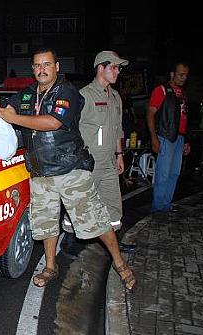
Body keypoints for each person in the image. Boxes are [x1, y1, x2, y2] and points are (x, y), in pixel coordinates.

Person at [0, 47, 136, 291]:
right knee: (46, 224)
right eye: (37, 65)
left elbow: (52, 122)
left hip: (70, 170)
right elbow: (0, 107)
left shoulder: (67, 91)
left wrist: (13, 118)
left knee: (96, 221)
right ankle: (50, 267)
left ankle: (121, 264)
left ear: (57, 67)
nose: (41, 69)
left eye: (47, 64)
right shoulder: (28, 94)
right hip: (40, 174)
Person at [62, 51, 136, 255]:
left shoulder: (115, 97)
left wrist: (120, 154)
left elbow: (118, 128)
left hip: (110, 162)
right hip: (88, 162)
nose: (118, 71)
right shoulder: (84, 95)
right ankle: (69, 239)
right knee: (80, 203)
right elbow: (71, 128)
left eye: (119, 68)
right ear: (100, 68)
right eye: (114, 67)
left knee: (113, 204)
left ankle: (113, 243)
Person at [146, 61, 191, 213]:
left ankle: (166, 204)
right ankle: (158, 207)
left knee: (174, 173)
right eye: (181, 74)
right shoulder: (162, 90)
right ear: (172, 74)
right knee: (163, 174)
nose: (184, 78)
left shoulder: (183, 94)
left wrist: (186, 140)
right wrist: (154, 137)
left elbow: (184, 118)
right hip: (165, 136)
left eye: (186, 75)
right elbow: (150, 114)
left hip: (179, 138)